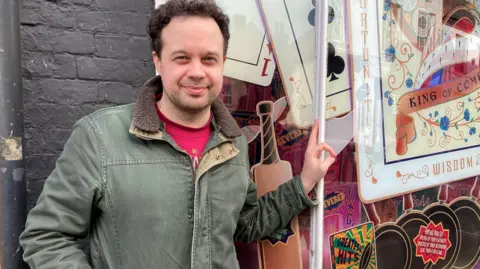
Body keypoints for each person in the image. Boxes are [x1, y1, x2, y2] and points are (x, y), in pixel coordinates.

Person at [19, 0, 336, 268]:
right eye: (182, 58)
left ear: (222, 64)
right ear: (158, 61)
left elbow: (246, 223)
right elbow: (46, 237)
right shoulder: (99, 137)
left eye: (209, 59)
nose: (197, 71)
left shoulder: (234, 143)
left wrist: (305, 181)